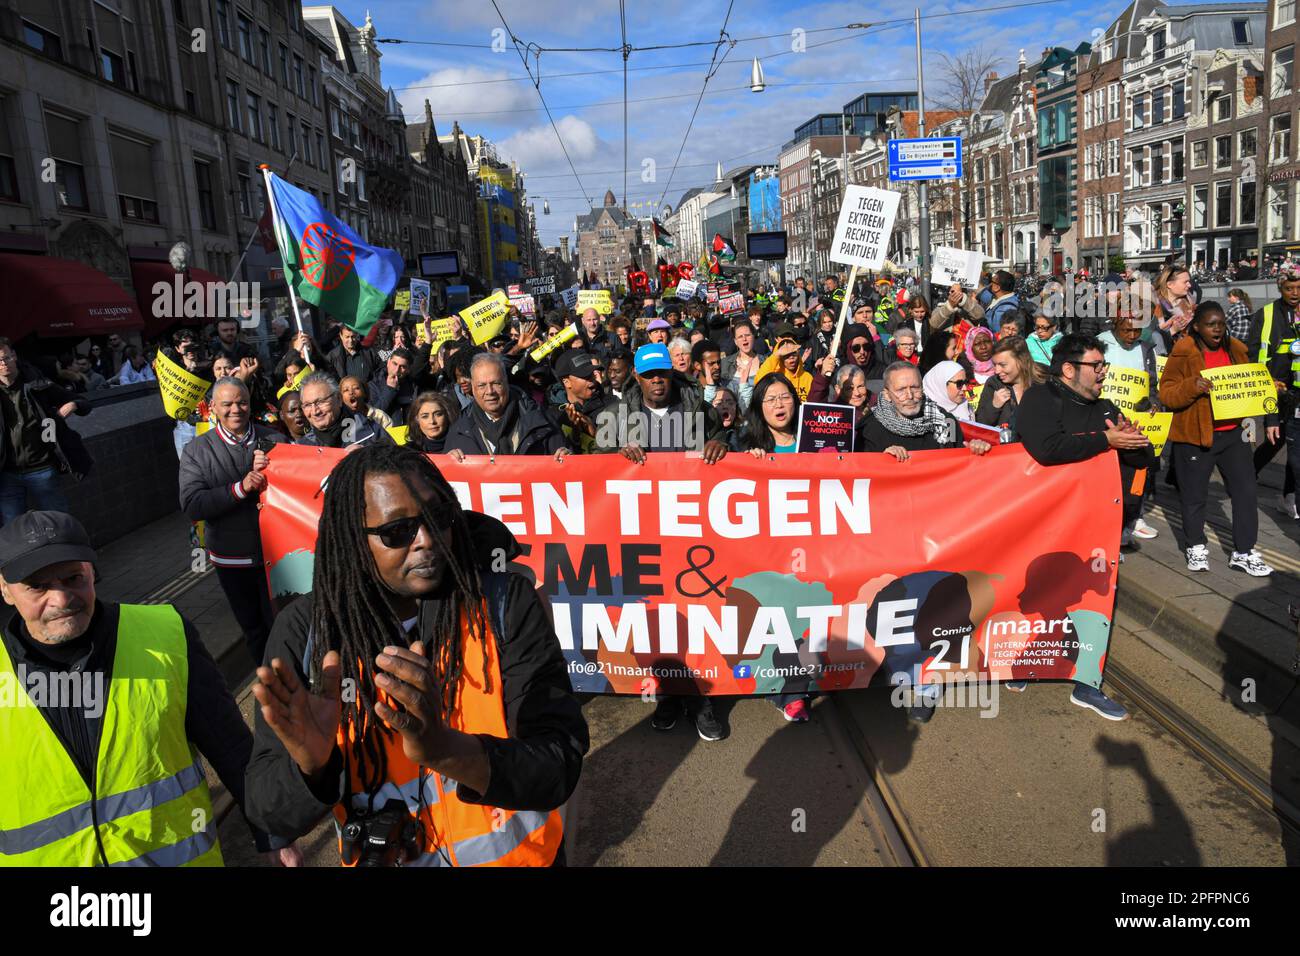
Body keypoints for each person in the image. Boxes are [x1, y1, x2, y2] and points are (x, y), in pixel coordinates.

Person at [245, 444, 588, 865]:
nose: (427, 541)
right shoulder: (307, 632)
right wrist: (312, 770)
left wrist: (447, 750)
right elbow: (266, 808)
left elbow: (559, 764)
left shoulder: (502, 602)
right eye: (397, 532)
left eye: (437, 518)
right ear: (354, 539)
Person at [0, 510, 298, 866]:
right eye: (37, 586)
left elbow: (229, 743)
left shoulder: (165, 635)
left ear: (93, 572)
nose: (61, 599)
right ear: (4, 589)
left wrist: (272, 834)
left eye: (73, 578)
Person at [1017, 333, 1152, 720]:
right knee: (1037, 594)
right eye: (1097, 366)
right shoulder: (1040, 399)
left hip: (1095, 527)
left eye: (1104, 366)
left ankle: (1087, 683)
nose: (1104, 373)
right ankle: (1023, 663)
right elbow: (1048, 448)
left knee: (1094, 603)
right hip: (1042, 524)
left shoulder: (1106, 406)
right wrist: (1105, 440)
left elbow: (1143, 457)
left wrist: (1133, 441)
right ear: (1069, 369)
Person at [1159, 303, 1275, 577]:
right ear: (1197, 326)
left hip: (1234, 435)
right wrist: (1192, 386)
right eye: (1211, 324)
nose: (1218, 328)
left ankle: (1244, 552)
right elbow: (1167, 393)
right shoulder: (1184, 350)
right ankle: (1195, 545)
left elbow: (1250, 388)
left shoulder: (1236, 350)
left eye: (1221, 323)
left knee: (1246, 493)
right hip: (1195, 436)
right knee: (1194, 495)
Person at [179, 376, 289, 665]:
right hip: (233, 559)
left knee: (286, 625)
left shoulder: (276, 439)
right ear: (213, 407)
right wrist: (240, 489)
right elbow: (192, 505)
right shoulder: (196, 450)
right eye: (227, 404)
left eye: (241, 402)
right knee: (253, 630)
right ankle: (268, 686)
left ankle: (294, 683)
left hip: (279, 555)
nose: (235, 409)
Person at [0, 337, 92, 524]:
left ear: (14, 356)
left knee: (58, 522)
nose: (3, 364)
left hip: (41, 469)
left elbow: (84, 402)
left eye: (6, 358)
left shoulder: (37, 384)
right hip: (7, 474)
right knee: (12, 531)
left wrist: (71, 405)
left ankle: (70, 553)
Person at [594, 343, 728, 462]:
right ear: (635, 375)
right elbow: (598, 463)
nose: (656, 379)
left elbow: (722, 440)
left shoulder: (702, 410)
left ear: (671, 371)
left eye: (662, 372)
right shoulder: (613, 416)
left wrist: (719, 445)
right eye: (648, 374)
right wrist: (619, 455)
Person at [1247, 266, 1300, 517]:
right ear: (1280, 289)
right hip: (1274, 386)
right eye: (1289, 288)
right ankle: (1250, 471)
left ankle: (1290, 495)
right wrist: (1265, 381)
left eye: (1299, 288)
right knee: (1274, 437)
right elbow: (1253, 352)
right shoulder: (1266, 314)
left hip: (1298, 388)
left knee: (1295, 443)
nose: (1295, 293)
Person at [445, 354, 567, 459]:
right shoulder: (460, 430)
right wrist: (448, 464)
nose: (489, 391)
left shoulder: (540, 421)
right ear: (473, 387)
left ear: (506, 382)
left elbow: (565, 473)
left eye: (496, 383)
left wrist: (566, 459)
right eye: (481, 385)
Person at [296, 372, 393, 448]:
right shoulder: (303, 447)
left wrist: (363, 458)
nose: (315, 411)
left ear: (338, 399)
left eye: (321, 402)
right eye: (307, 405)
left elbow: (396, 466)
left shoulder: (371, 432)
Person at [975, 336, 1042, 438]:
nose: (997, 371)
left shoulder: (1043, 381)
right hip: (1007, 450)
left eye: (1002, 365)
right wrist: (994, 405)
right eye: (995, 364)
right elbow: (980, 424)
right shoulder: (994, 383)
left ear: (1021, 360)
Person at [755, 324, 813, 401]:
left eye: (793, 353)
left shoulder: (807, 377)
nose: (791, 357)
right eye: (786, 355)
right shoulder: (776, 377)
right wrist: (776, 355)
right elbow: (759, 382)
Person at [368, 348, 416, 425]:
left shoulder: (413, 385)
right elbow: (374, 415)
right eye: (394, 364)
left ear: (408, 369)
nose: (397, 370)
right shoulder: (373, 385)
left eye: (402, 367)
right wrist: (389, 390)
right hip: (386, 434)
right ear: (388, 362)